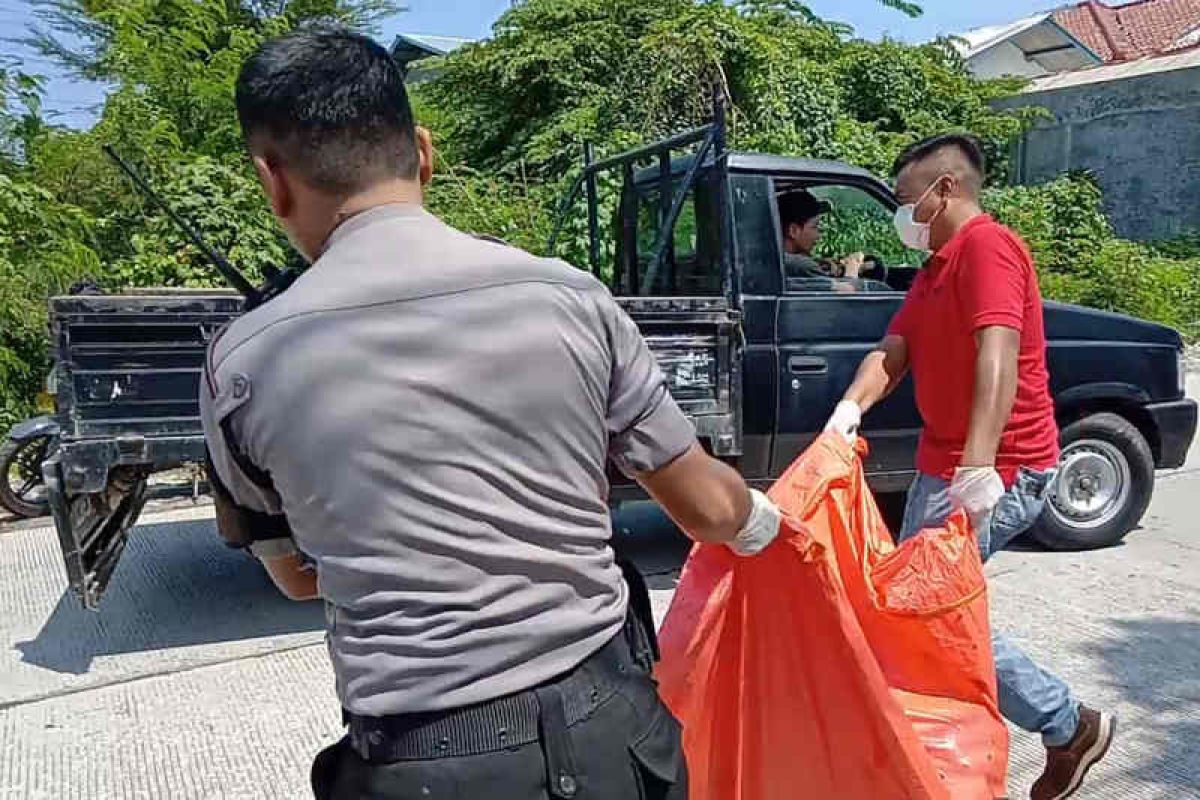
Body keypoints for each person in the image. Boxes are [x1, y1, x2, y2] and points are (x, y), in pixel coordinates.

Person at [201, 26, 782, 800]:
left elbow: (297, 579)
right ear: (424, 151)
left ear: (272, 179)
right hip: (612, 732)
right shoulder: (572, 301)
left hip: (421, 762)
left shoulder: (240, 363)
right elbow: (710, 511)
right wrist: (759, 517)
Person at [825, 134, 1116, 800]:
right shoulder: (934, 269)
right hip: (941, 463)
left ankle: (1066, 725)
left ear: (945, 190)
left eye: (907, 201)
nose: (903, 215)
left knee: (923, 613)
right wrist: (848, 411)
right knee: (918, 613)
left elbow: (999, 356)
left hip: (1002, 464)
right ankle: (1061, 726)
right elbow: (892, 351)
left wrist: (981, 466)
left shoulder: (988, 248)